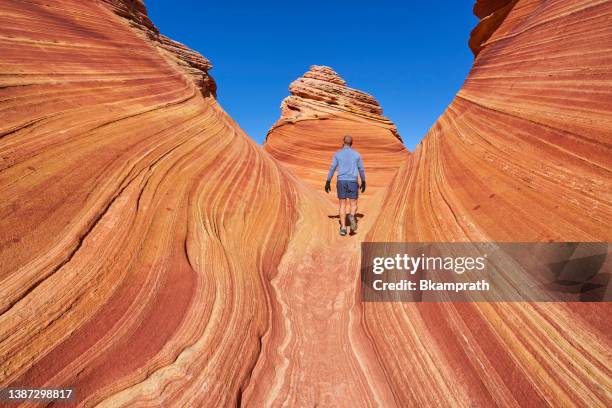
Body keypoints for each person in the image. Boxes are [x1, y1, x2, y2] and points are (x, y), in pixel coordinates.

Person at [324, 135, 366, 236]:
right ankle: (351, 215)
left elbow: (332, 168)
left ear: (343, 142)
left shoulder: (337, 154)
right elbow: (361, 169)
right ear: (352, 143)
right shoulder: (356, 155)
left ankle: (343, 228)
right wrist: (363, 181)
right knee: (353, 204)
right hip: (352, 181)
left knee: (342, 205)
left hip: (341, 181)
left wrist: (328, 181)